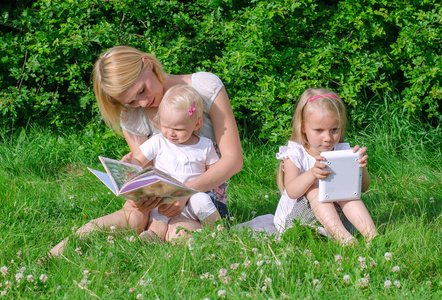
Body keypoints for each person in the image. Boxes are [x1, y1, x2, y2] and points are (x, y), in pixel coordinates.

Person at [49, 46, 242, 256]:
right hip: (162, 200)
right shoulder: (132, 115)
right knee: (134, 216)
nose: (142, 102)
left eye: (141, 90)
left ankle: (189, 237)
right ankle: (56, 253)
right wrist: (137, 195)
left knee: (180, 231)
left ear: (148, 64)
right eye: (131, 101)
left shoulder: (203, 87)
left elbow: (233, 160)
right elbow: (146, 171)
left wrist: (185, 192)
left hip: (201, 193)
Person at [274, 88, 378, 245]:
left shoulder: (343, 151)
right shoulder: (296, 154)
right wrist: (312, 174)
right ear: (303, 127)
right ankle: (344, 239)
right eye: (319, 130)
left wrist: (360, 167)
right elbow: (292, 191)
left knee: (346, 192)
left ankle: (373, 236)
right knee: (314, 188)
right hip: (300, 217)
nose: (328, 138)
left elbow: (363, 188)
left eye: (334, 130)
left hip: (338, 216)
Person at [125, 84, 222, 241]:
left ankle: (218, 230)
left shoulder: (204, 145)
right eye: (165, 126)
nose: (170, 133)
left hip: (192, 199)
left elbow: (215, 172)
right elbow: (139, 161)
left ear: (196, 124)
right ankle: (153, 236)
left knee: (202, 200)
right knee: (157, 213)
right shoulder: (158, 141)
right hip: (166, 199)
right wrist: (131, 161)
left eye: (178, 129)